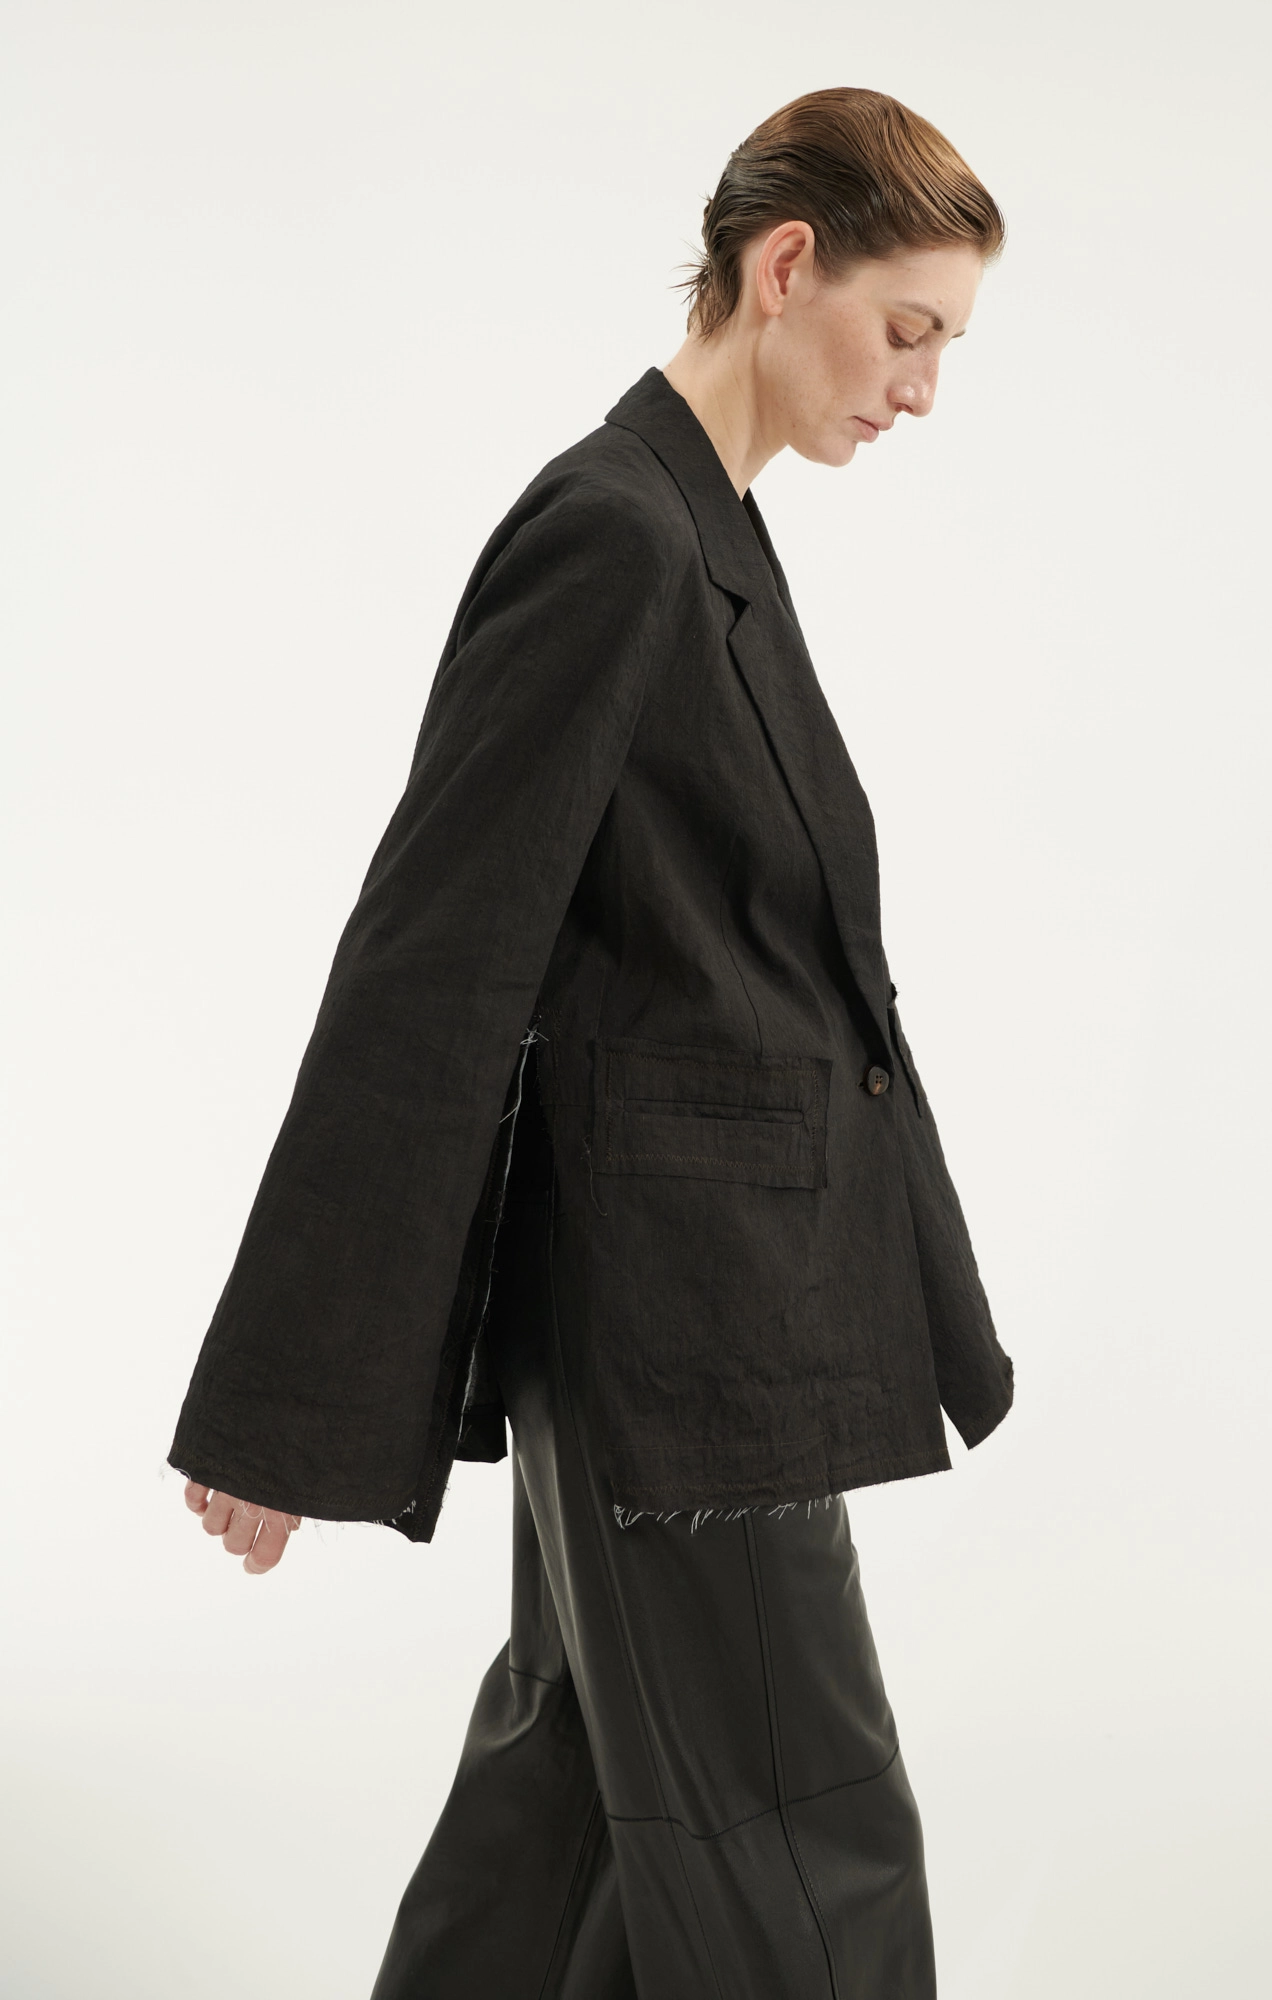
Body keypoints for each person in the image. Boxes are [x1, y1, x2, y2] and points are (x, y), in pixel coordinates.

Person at [172, 85, 1014, 2000]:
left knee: (560, 1839)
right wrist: (290, 1398)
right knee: (806, 1859)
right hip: (692, 1349)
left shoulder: (704, 531)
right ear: (786, 265)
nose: (922, 391)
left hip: (684, 1331)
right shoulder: (617, 535)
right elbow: (432, 965)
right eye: (909, 330)